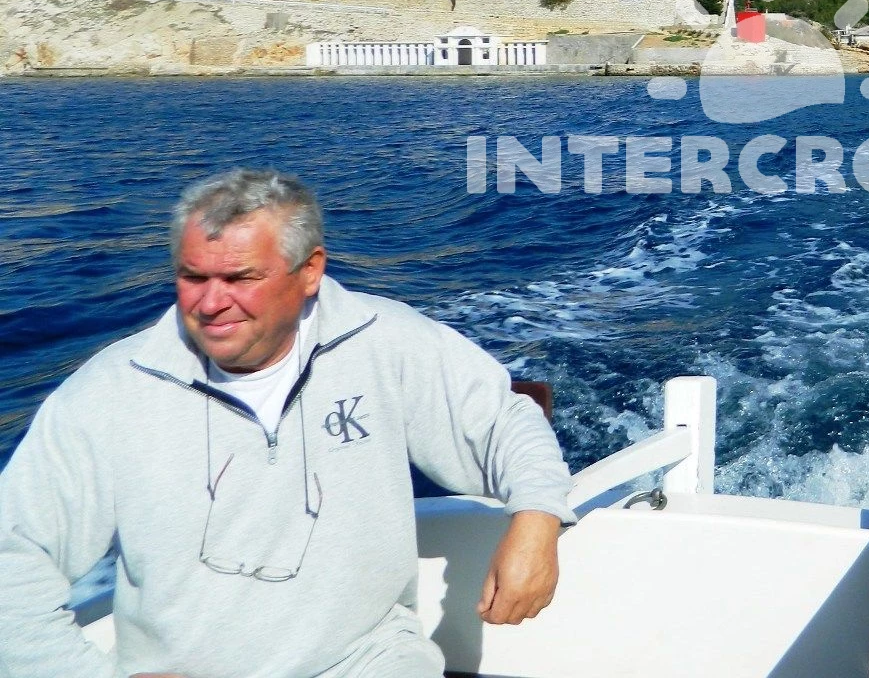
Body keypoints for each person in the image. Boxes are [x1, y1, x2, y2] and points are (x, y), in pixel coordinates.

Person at [0, 169, 573, 678]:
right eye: (193, 276)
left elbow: (505, 421)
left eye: (240, 278)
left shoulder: (385, 341)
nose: (210, 303)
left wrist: (536, 520)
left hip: (368, 658)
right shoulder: (111, 391)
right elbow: (14, 553)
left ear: (310, 271)